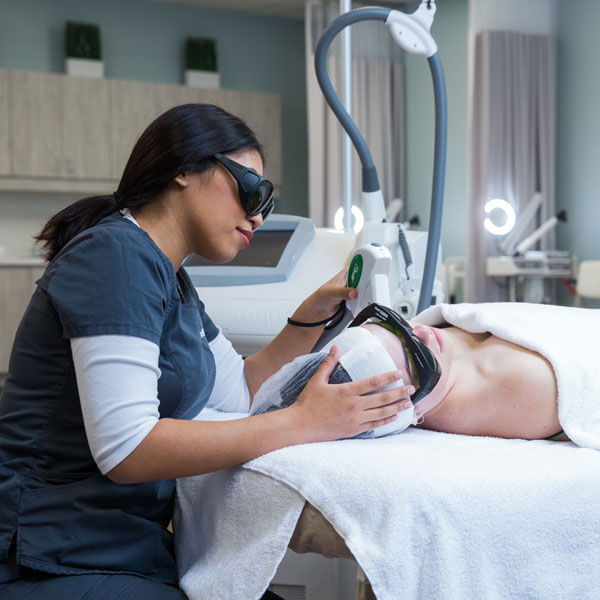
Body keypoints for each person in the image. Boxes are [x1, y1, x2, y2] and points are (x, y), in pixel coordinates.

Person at [0, 104, 415, 599]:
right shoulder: (113, 257)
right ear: (183, 168)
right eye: (250, 189)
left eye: (268, 200)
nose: (258, 215)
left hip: (124, 549)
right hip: (49, 557)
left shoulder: (172, 278)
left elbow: (240, 390)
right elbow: (126, 448)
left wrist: (313, 314)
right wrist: (302, 422)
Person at [250, 302, 568, 442]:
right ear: (407, 413)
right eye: (419, 359)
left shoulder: (437, 377)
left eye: (400, 326)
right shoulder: (524, 385)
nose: (426, 333)